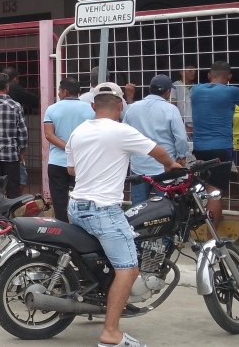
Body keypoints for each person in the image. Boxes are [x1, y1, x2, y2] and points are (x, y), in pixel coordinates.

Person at [67, 83, 181, 347]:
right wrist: (172, 165)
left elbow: (72, 170)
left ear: (94, 106)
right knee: (128, 269)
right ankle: (111, 333)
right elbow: (159, 151)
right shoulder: (122, 131)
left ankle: (95, 304)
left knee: (102, 261)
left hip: (77, 207)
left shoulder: (79, 131)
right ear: (119, 107)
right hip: (103, 210)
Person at [189, 61, 239, 224]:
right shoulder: (231, 92)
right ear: (229, 77)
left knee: (208, 186)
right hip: (221, 148)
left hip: (199, 148)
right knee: (215, 191)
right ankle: (211, 236)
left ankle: (215, 219)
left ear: (209, 75)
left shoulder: (196, 90)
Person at [123, 74, 190, 205]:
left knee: (138, 208)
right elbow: (181, 138)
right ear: (168, 91)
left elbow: (124, 133)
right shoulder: (171, 109)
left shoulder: (132, 108)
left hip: (139, 167)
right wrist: (182, 156)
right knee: (167, 206)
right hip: (165, 167)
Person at [42, 78, 94, 222]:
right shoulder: (90, 109)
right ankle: (83, 227)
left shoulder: (52, 109)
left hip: (57, 163)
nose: (58, 93)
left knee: (59, 201)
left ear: (65, 91)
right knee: (84, 198)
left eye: (59, 90)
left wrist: (68, 147)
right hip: (82, 162)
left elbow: (49, 135)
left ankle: (62, 230)